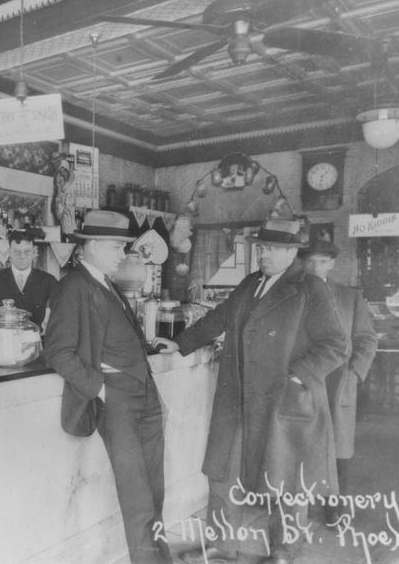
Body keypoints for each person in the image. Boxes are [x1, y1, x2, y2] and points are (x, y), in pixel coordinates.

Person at [155, 219, 346, 564]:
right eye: (261, 247)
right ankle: (220, 547)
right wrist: (180, 342)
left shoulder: (310, 288)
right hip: (239, 398)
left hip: (283, 401)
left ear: (291, 252)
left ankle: (284, 553)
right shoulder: (250, 284)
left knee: (286, 483)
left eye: (272, 248)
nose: (264, 254)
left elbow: (335, 345)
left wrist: (297, 378)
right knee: (222, 473)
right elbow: (219, 318)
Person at [44, 210, 171, 564]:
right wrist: (101, 389)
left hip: (144, 395)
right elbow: (57, 350)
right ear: (93, 245)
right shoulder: (73, 286)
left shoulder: (104, 282)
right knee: (138, 501)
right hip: (118, 400)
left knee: (154, 494)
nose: (123, 254)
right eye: (117, 247)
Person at [299, 239, 377, 522]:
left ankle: (335, 510)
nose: (315, 266)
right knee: (302, 443)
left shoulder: (349, 297)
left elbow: (367, 339)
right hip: (303, 381)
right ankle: (299, 509)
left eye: (321, 261)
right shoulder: (293, 294)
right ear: (302, 264)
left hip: (338, 383)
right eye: (310, 261)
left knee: (339, 449)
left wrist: (354, 373)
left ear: (332, 264)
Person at [0, 228, 57, 328]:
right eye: (17, 252)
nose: (22, 256)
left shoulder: (48, 281)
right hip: (3, 340)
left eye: (27, 252)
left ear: (34, 252)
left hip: (36, 339)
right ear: (9, 252)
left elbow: (59, 313)